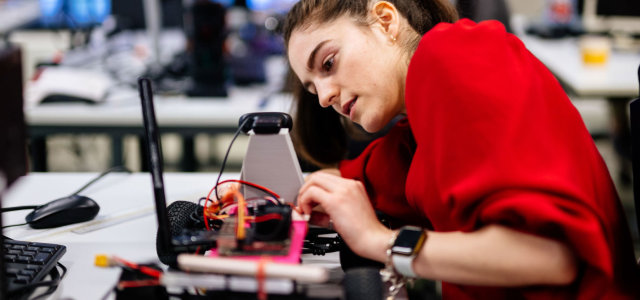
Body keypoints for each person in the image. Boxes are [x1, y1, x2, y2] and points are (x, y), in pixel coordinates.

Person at [283, 0, 640, 299]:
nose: (326, 96)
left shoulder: (453, 54)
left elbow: (547, 255)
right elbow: (351, 184)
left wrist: (380, 241)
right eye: (314, 90)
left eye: (329, 64)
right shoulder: (420, 123)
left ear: (385, 20)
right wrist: (260, 196)